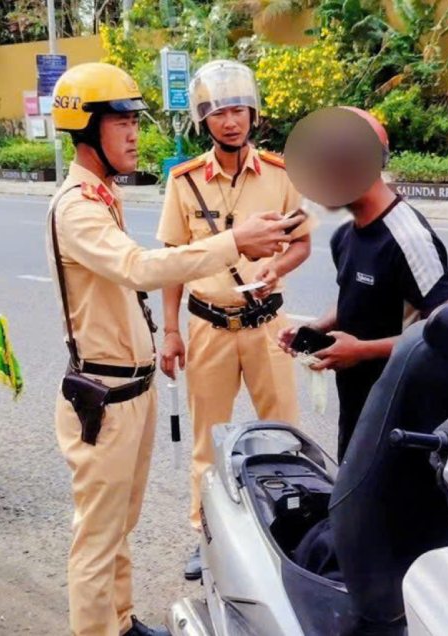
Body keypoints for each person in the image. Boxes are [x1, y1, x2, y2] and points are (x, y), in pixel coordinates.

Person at [47, 62, 301, 636]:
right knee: (97, 536)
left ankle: (120, 620)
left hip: (130, 390)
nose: (135, 133)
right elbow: (140, 268)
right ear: (86, 129)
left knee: (119, 526)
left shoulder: (101, 194)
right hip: (104, 395)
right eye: (121, 122)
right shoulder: (78, 208)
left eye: (136, 120)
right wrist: (233, 241)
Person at [156, 59, 317, 580]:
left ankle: (294, 534)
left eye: (239, 110)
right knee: (208, 440)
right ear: (205, 119)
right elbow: (172, 264)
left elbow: (303, 243)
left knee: (283, 435)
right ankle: (206, 538)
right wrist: (172, 331)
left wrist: (276, 265)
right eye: (220, 112)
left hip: (267, 325)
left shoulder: (279, 174)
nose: (232, 121)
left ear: (253, 114)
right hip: (208, 327)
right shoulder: (183, 183)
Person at [279, 107, 448, 463]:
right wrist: (318, 328)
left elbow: (447, 332)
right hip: (359, 402)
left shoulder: (408, 237)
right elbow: (359, 298)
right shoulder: (346, 237)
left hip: (402, 411)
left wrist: (361, 350)